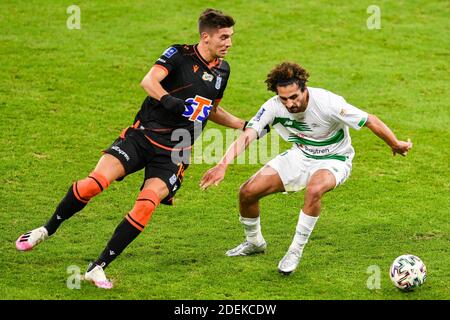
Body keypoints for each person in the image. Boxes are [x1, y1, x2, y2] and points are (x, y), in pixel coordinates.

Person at [16, 8, 245, 289]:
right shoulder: (179, 54)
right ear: (205, 37)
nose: (229, 43)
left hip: (175, 152)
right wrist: (167, 100)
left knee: (146, 204)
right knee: (93, 184)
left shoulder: (223, 70)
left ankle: (97, 267)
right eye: (223, 37)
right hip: (142, 136)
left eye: (231, 37)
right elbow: (149, 81)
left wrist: (243, 124)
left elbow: (210, 109)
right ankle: (45, 229)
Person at [200, 62, 413, 275]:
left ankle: (295, 250)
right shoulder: (273, 106)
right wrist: (223, 164)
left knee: (314, 189)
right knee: (247, 193)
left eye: (294, 97)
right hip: (300, 155)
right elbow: (248, 135)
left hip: (334, 159)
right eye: (284, 98)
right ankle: (254, 242)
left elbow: (369, 120)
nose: (290, 103)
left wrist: (395, 143)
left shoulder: (328, 102)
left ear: (304, 89)